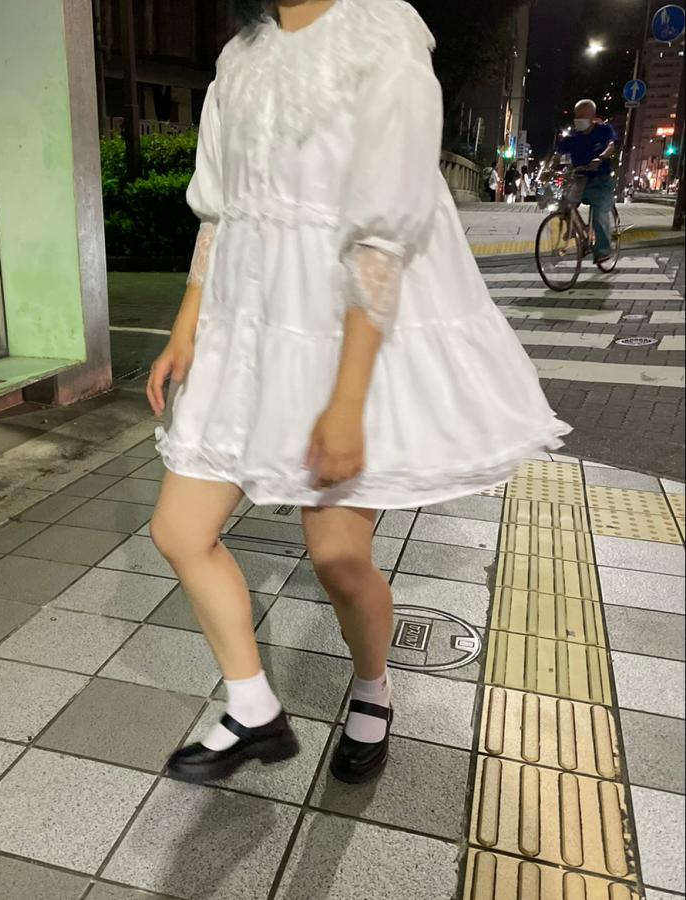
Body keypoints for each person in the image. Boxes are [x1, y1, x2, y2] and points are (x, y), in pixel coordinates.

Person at [147, 0, 568, 787]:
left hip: (348, 338)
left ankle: (374, 687)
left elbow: (384, 235)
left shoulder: (381, 31)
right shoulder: (242, 55)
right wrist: (185, 328)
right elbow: (220, 212)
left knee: (338, 558)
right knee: (178, 529)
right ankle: (253, 707)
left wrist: (345, 403)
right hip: (250, 333)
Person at [553, 99, 617, 264]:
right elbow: (557, 154)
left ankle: (603, 251)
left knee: (599, 214)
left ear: (592, 116)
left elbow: (611, 145)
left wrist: (600, 158)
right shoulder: (573, 137)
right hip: (579, 179)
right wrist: (550, 168)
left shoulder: (604, 130)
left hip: (601, 180)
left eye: (582, 116)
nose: (578, 120)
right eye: (576, 116)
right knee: (564, 205)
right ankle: (576, 230)